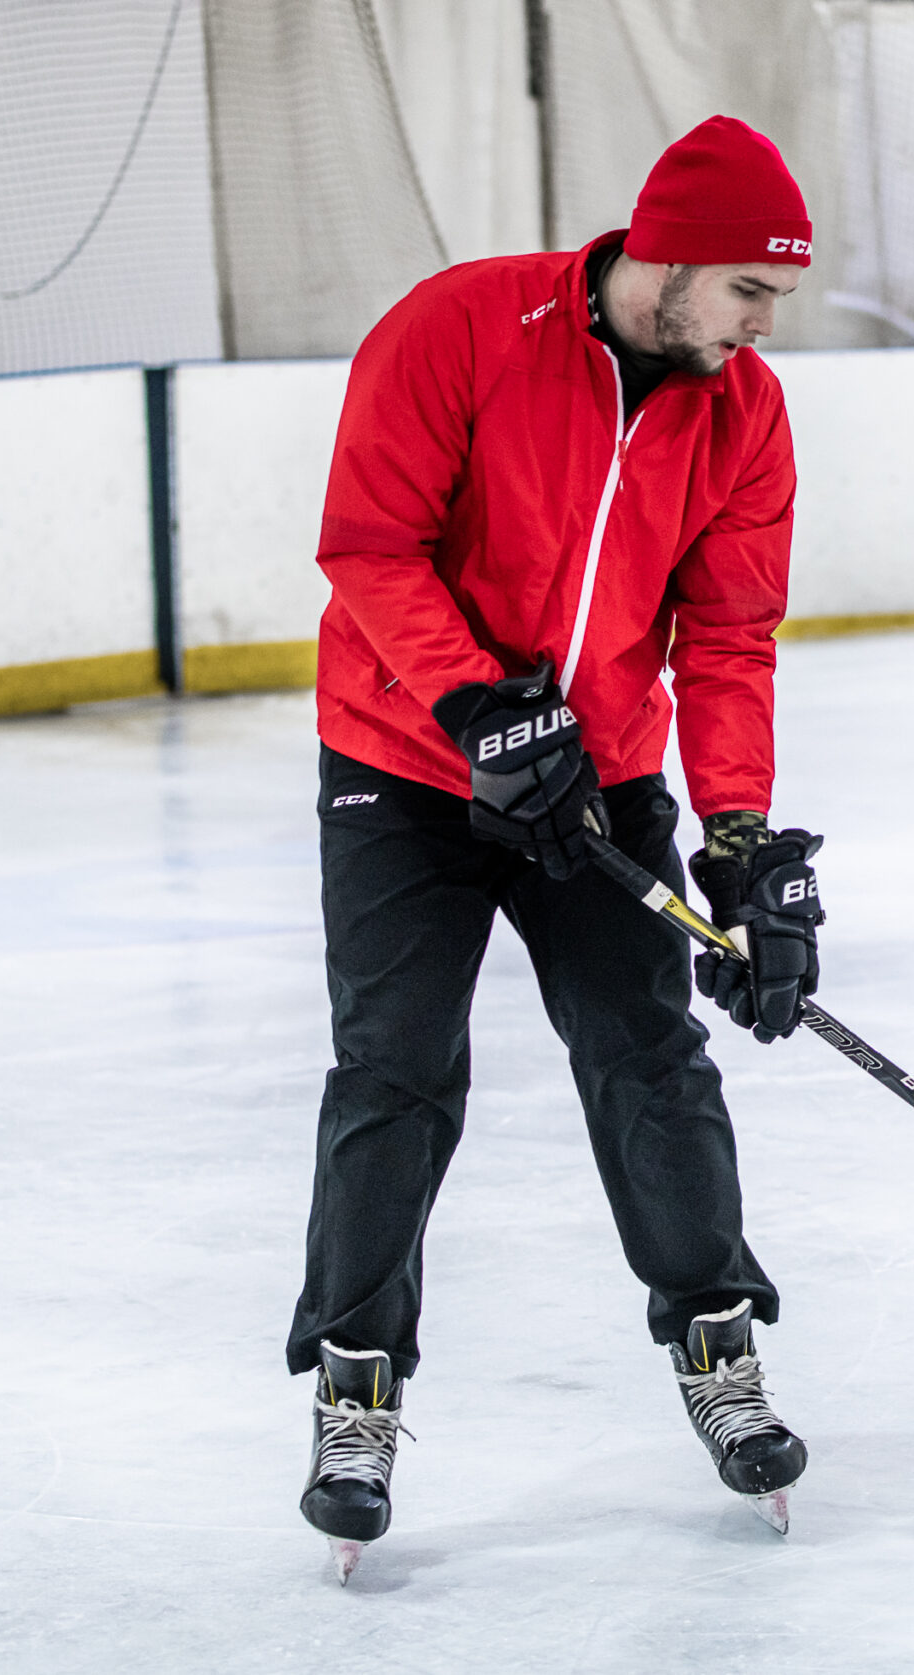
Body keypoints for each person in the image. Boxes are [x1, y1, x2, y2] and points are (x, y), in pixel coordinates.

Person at [286, 116, 830, 1575]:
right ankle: (356, 1383)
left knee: (650, 1051)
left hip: (597, 781)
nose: (764, 327)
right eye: (751, 293)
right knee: (397, 1065)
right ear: (672, 256)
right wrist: (477, 707)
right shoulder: (459, 327)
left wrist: (740, 839)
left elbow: (727, 638)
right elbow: (369, 547)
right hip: (405, 761)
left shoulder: (744, 412)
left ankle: (719, 1345)